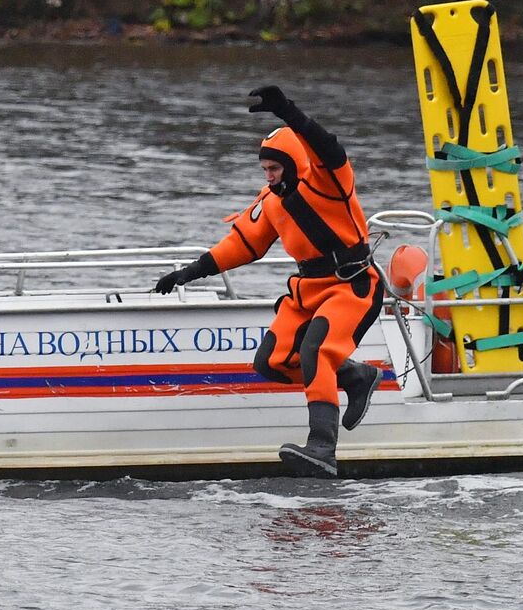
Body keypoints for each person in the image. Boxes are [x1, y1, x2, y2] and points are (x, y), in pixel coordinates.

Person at [154, 86, 385, 478]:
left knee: (317, 351)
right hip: (308, 289)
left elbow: (328, 146)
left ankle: (323, 448)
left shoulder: (330, 183)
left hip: (352, 285)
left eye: (274, 169)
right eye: (264, 170)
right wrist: (188, 273)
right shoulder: (272, 200)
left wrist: (289, 113)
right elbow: (243, 244)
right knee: (272, 362)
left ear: (293, 164)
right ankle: (356, 376)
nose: (268, 176)